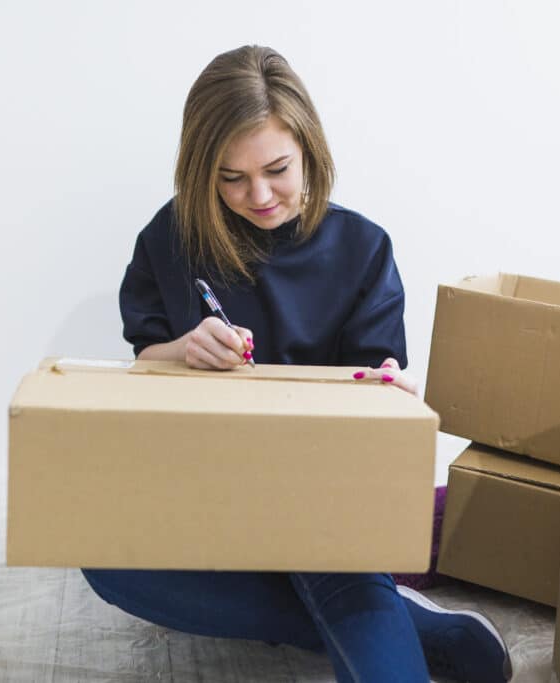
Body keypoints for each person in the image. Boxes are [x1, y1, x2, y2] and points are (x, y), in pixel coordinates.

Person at [83, 45, 512, 683]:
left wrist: (388, 394)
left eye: (277, 169)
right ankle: (416, 623)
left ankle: (382, 614)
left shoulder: (362, 247)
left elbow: (376, 392)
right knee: (101, 554)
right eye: (230, 177)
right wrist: (183, 350)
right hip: (206, 486)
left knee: (332, 565)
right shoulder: (170, 239)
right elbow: (144, 358)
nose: (258, 195)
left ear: (309, 149)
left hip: (320, 497)